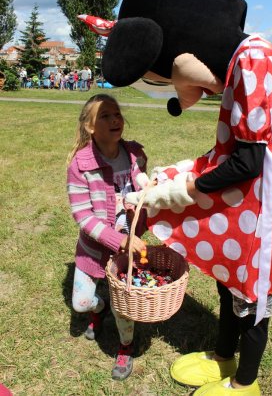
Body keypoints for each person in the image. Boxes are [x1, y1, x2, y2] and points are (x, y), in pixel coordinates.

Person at [81, 0, 272, 395]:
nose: (179, 92)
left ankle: (244, 384)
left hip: (267, 205)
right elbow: (227, 151)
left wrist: (177, 191)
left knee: (253, 299)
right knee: (229, 282)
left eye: (167, 79)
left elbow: (248, 163)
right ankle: (222, 356)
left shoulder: (255, 59)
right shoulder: (240, 62)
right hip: (249, 202)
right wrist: (175, 172)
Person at [66, 94, 148, 380]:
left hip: (127, 250)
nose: (115, 119)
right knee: (81, 303)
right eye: (105, 116)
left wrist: (147, 194)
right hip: (93, 248)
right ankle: (97, 311)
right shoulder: (81, 164)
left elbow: (142, 189)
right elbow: (83, 215)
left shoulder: (135, 154)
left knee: (122, 305)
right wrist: (117, 239)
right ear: (90, 127)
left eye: (117, 114)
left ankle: (125, 346)